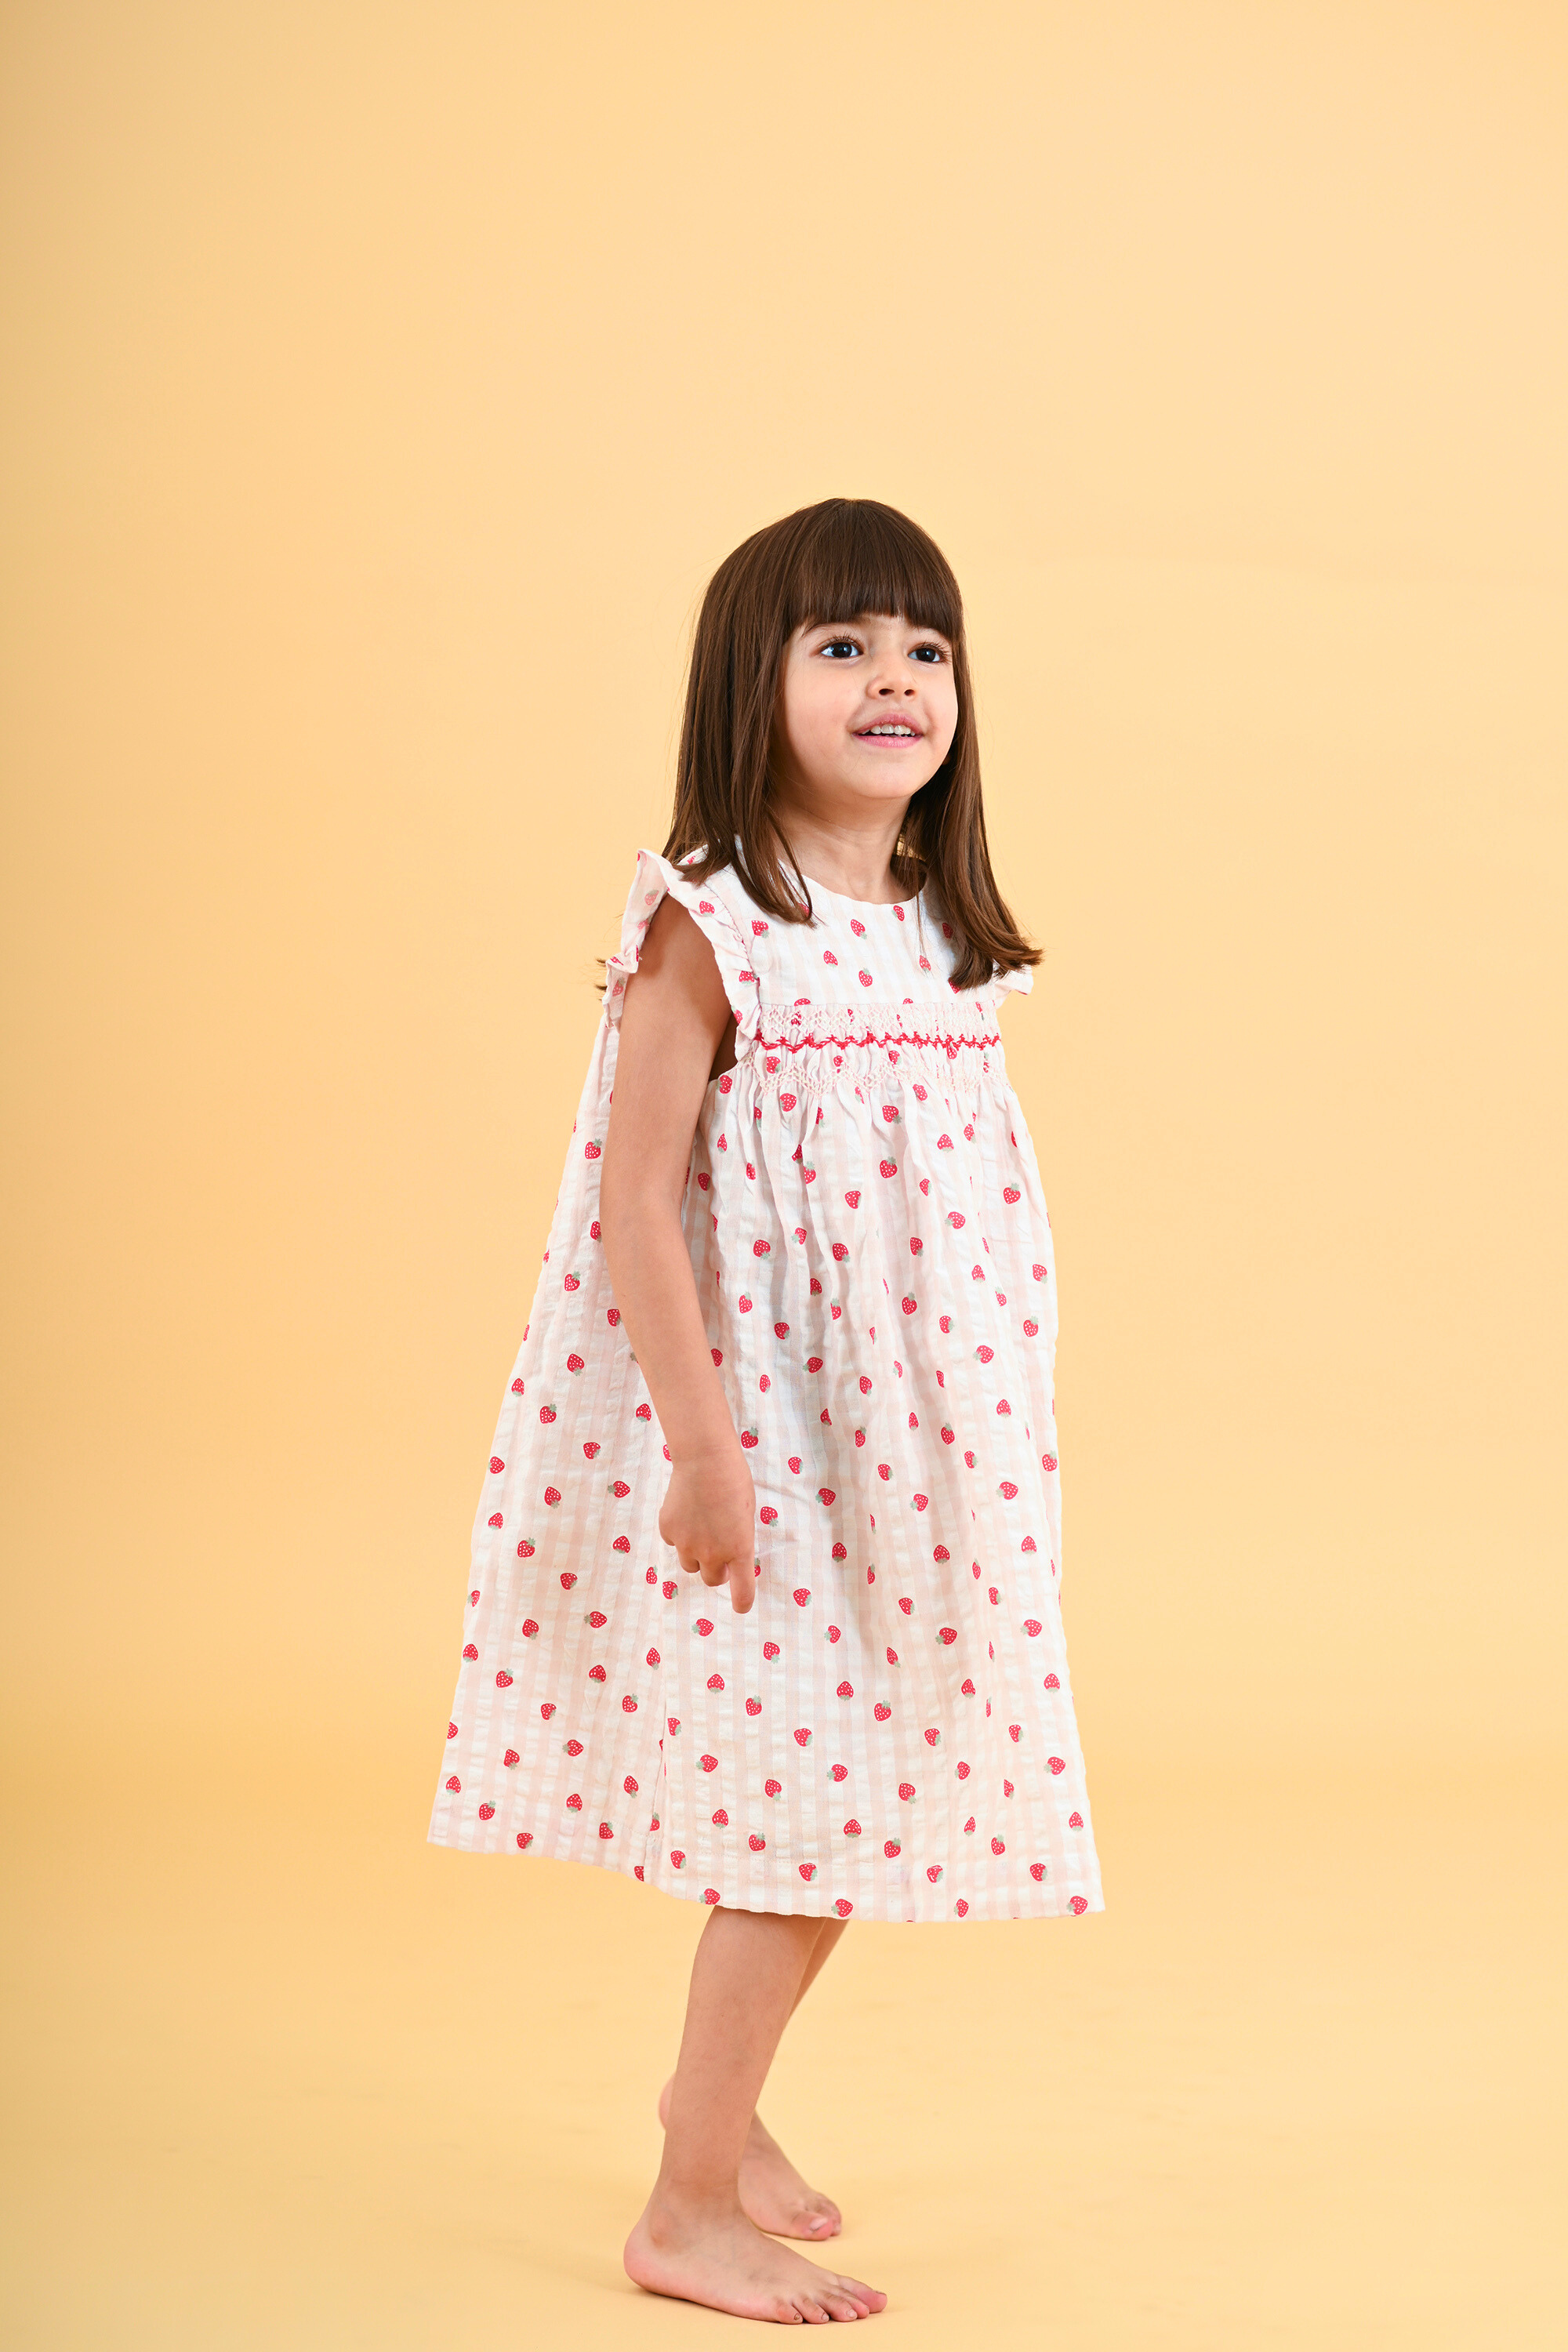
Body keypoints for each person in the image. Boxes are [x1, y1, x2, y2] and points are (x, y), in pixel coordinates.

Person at [430, 497, 1104, 2323]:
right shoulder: (715, 918)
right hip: (779, 1441)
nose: (896, 678)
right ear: (755, 681)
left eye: (925, 647)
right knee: (811, 1818)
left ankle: (718, 2117)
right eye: (842, 645)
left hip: (925, 1449)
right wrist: (705, 1450)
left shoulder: (939, 922)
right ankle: (686, 2197)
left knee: (851, 1789)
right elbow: (636, 1200)